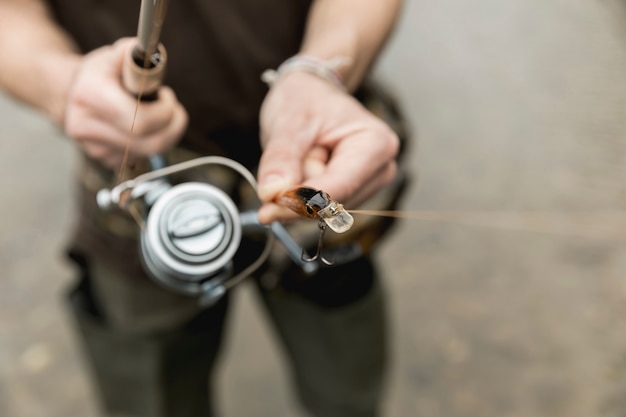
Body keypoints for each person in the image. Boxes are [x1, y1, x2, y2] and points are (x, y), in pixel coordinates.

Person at [0, 0, 411, 416]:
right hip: (131, 183)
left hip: (320, 158)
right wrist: (63, 86)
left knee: (348, 396)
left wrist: (322, 72)